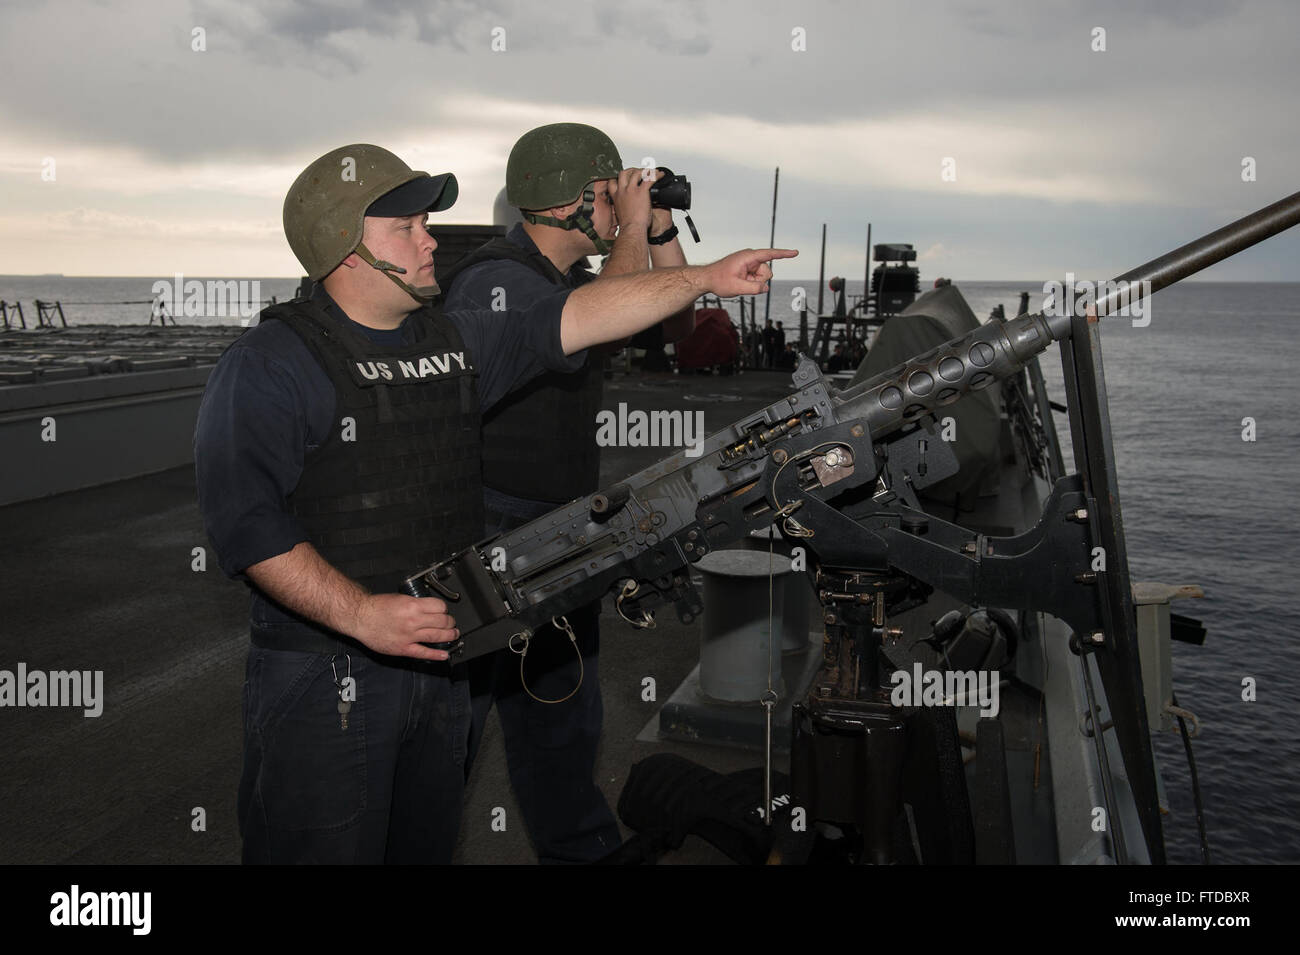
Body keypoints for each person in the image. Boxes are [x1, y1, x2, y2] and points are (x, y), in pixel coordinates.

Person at [193, 143, 794, 864]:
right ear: (346, 249)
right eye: (407, 227)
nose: (430, 240)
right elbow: (247, 524)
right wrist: (360, 614)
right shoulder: (268, 364)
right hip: (329, 674)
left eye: (426, 222)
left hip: (440, 662)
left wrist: (705, 274)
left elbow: (589, 312)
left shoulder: (456, 340)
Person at [441, 123, 692, 863]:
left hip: (555, 538)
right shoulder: (499, 279)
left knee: (560, 738)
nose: (622, 208)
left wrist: (662, 226)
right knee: (444, 748)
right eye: (611, 194)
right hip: (485, 540)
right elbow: (619, 298)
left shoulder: (565, 286)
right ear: (575, 201)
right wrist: (634, 230)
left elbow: (673, 319)